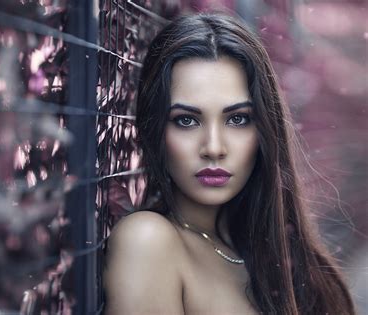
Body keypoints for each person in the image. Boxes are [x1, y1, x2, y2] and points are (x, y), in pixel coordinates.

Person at [103, 13, 355, 314]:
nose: (213, 148)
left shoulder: (266, 251)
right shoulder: (148, 241)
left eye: (237, 119)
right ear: (154, 128)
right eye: (186, 120)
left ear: (264, 130)